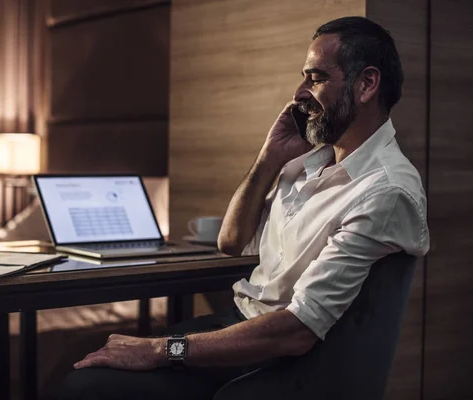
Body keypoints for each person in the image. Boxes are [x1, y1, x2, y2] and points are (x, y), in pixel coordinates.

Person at [57, 16, 429, 400]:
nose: (300, 92)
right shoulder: (308, 164)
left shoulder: (385, 190)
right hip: (239, 322)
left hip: (277, 356)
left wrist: (159, 350)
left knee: (86, 388)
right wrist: (268, 158)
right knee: (90, 372)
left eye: (315, 78)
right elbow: (231, 241)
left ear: (366, 84)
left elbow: (297, 330)